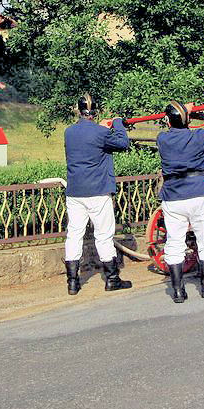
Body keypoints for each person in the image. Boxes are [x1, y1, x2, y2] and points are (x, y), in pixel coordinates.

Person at [157, 93, 204, 303]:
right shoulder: (199, 137)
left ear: (167, 121)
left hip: (173, 197)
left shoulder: (162, 139)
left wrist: (185, 111)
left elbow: (174, 125)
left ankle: (178, 292)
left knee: (174, 242)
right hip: (198, 194)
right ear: (188, 120)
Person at [63, 93, 131, 295]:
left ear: (78, 110)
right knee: (104, 235)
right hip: (98, 191)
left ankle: (73, 282)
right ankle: (112, 279)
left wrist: (101, 128)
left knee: (74, 234)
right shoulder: (100, 132)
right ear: (95, 111)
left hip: (75, 191)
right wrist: (117, 123)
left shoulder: (69, 132)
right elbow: (122, 142)